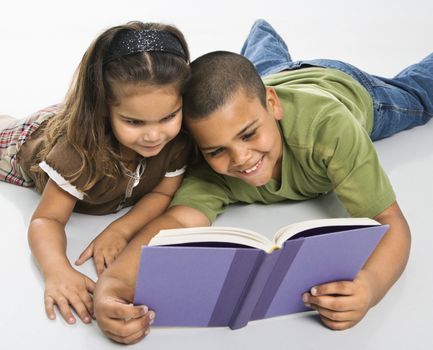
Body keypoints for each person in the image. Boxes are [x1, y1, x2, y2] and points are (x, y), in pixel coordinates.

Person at [93, 19, 432, 344]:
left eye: (249, 134)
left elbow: (391, 222)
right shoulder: (212, 162)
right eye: (216, 150)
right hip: (272, 80)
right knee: (262, 71)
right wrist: (113, 285)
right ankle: (263, 35)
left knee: (420, 94)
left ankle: (266, 44)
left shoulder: (329, 128)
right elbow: (177, 221)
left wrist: (370, 287)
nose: (240, 159)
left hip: (345, 88)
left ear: (273, 106)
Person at [0, 21, 192, 325]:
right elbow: (46, 219)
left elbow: (162, 192)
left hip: (68, 118)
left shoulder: (178, 139)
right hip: (24, 145)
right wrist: (58, 271)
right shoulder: (79, 153)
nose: (154, 135)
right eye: (135, 122)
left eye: (168, 116)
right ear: (104, 108)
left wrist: (120, 229)